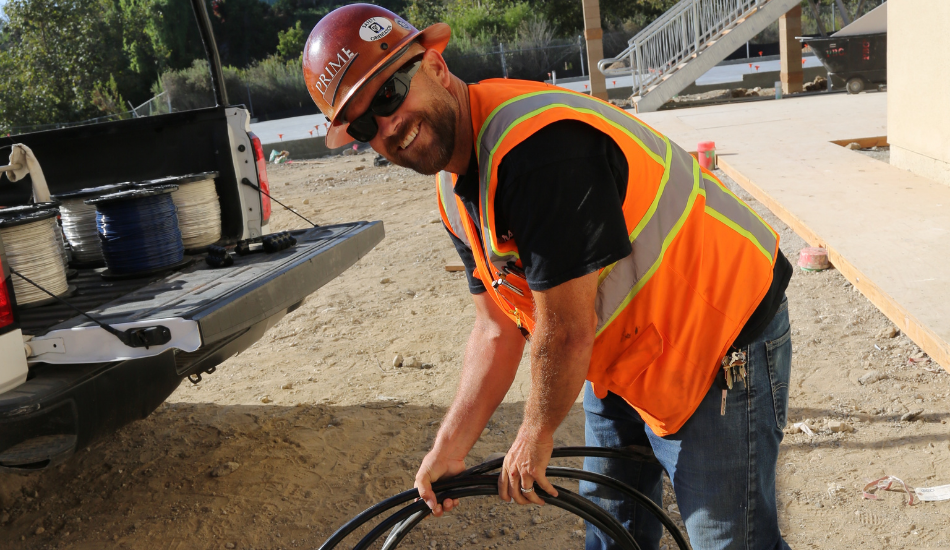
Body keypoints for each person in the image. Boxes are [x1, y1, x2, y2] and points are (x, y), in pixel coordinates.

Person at [303, 5, 794, 549]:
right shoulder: (453, 190)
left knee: (729, 542)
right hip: (627, 348)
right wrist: (450, 446)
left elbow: (564, 332)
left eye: (391, 94)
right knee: (613, 537)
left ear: (436, 66)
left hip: (716, 330)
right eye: (366, 124)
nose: (390, 126)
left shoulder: (539, 153)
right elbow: (496, 328)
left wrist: (534, 434)